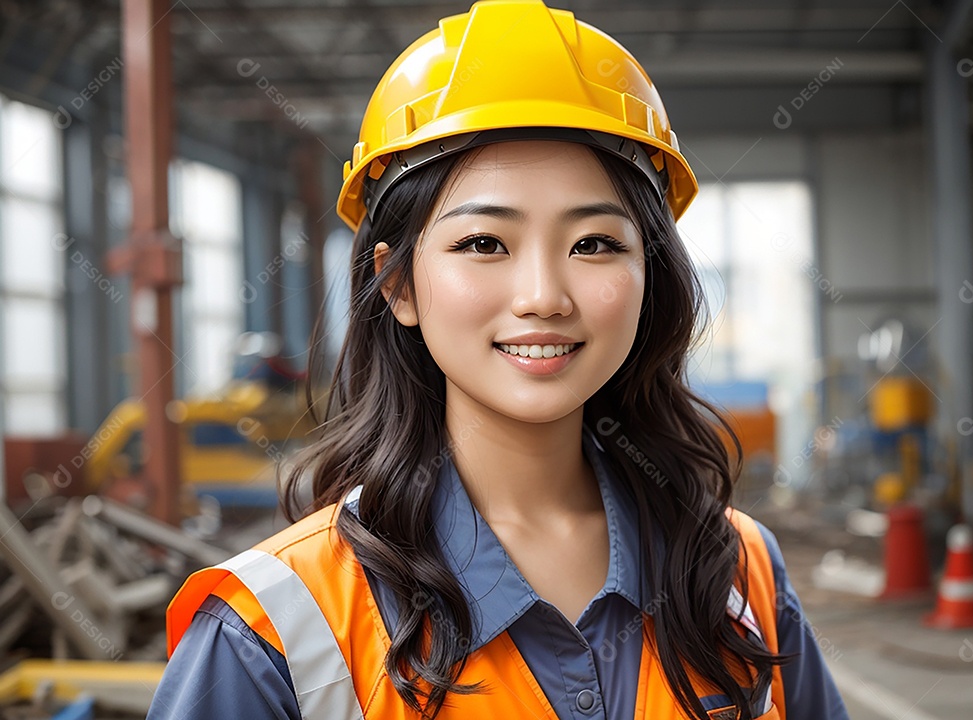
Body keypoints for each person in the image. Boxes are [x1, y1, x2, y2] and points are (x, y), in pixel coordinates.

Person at [147, 1, 850, 718]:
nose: (543, 296)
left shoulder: (738, 574)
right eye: (483, 243)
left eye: (594, 244)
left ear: (650, 275)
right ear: (397, 285)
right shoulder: (272, 634)